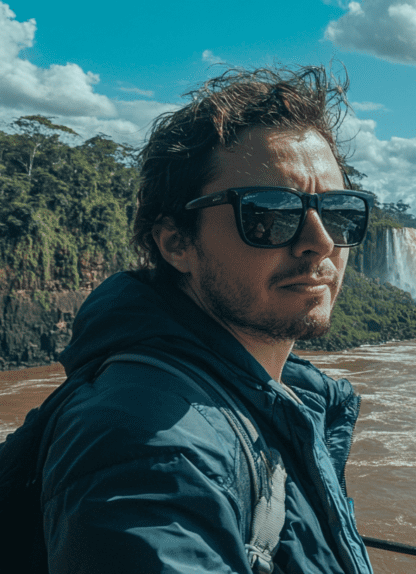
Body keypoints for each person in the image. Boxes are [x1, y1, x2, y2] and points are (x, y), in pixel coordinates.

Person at [40, 66, 376, 573]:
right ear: (177, 242)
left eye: (337, 210)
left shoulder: (283, 401)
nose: (321, 241)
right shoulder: (148, 448)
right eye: (268, 213)